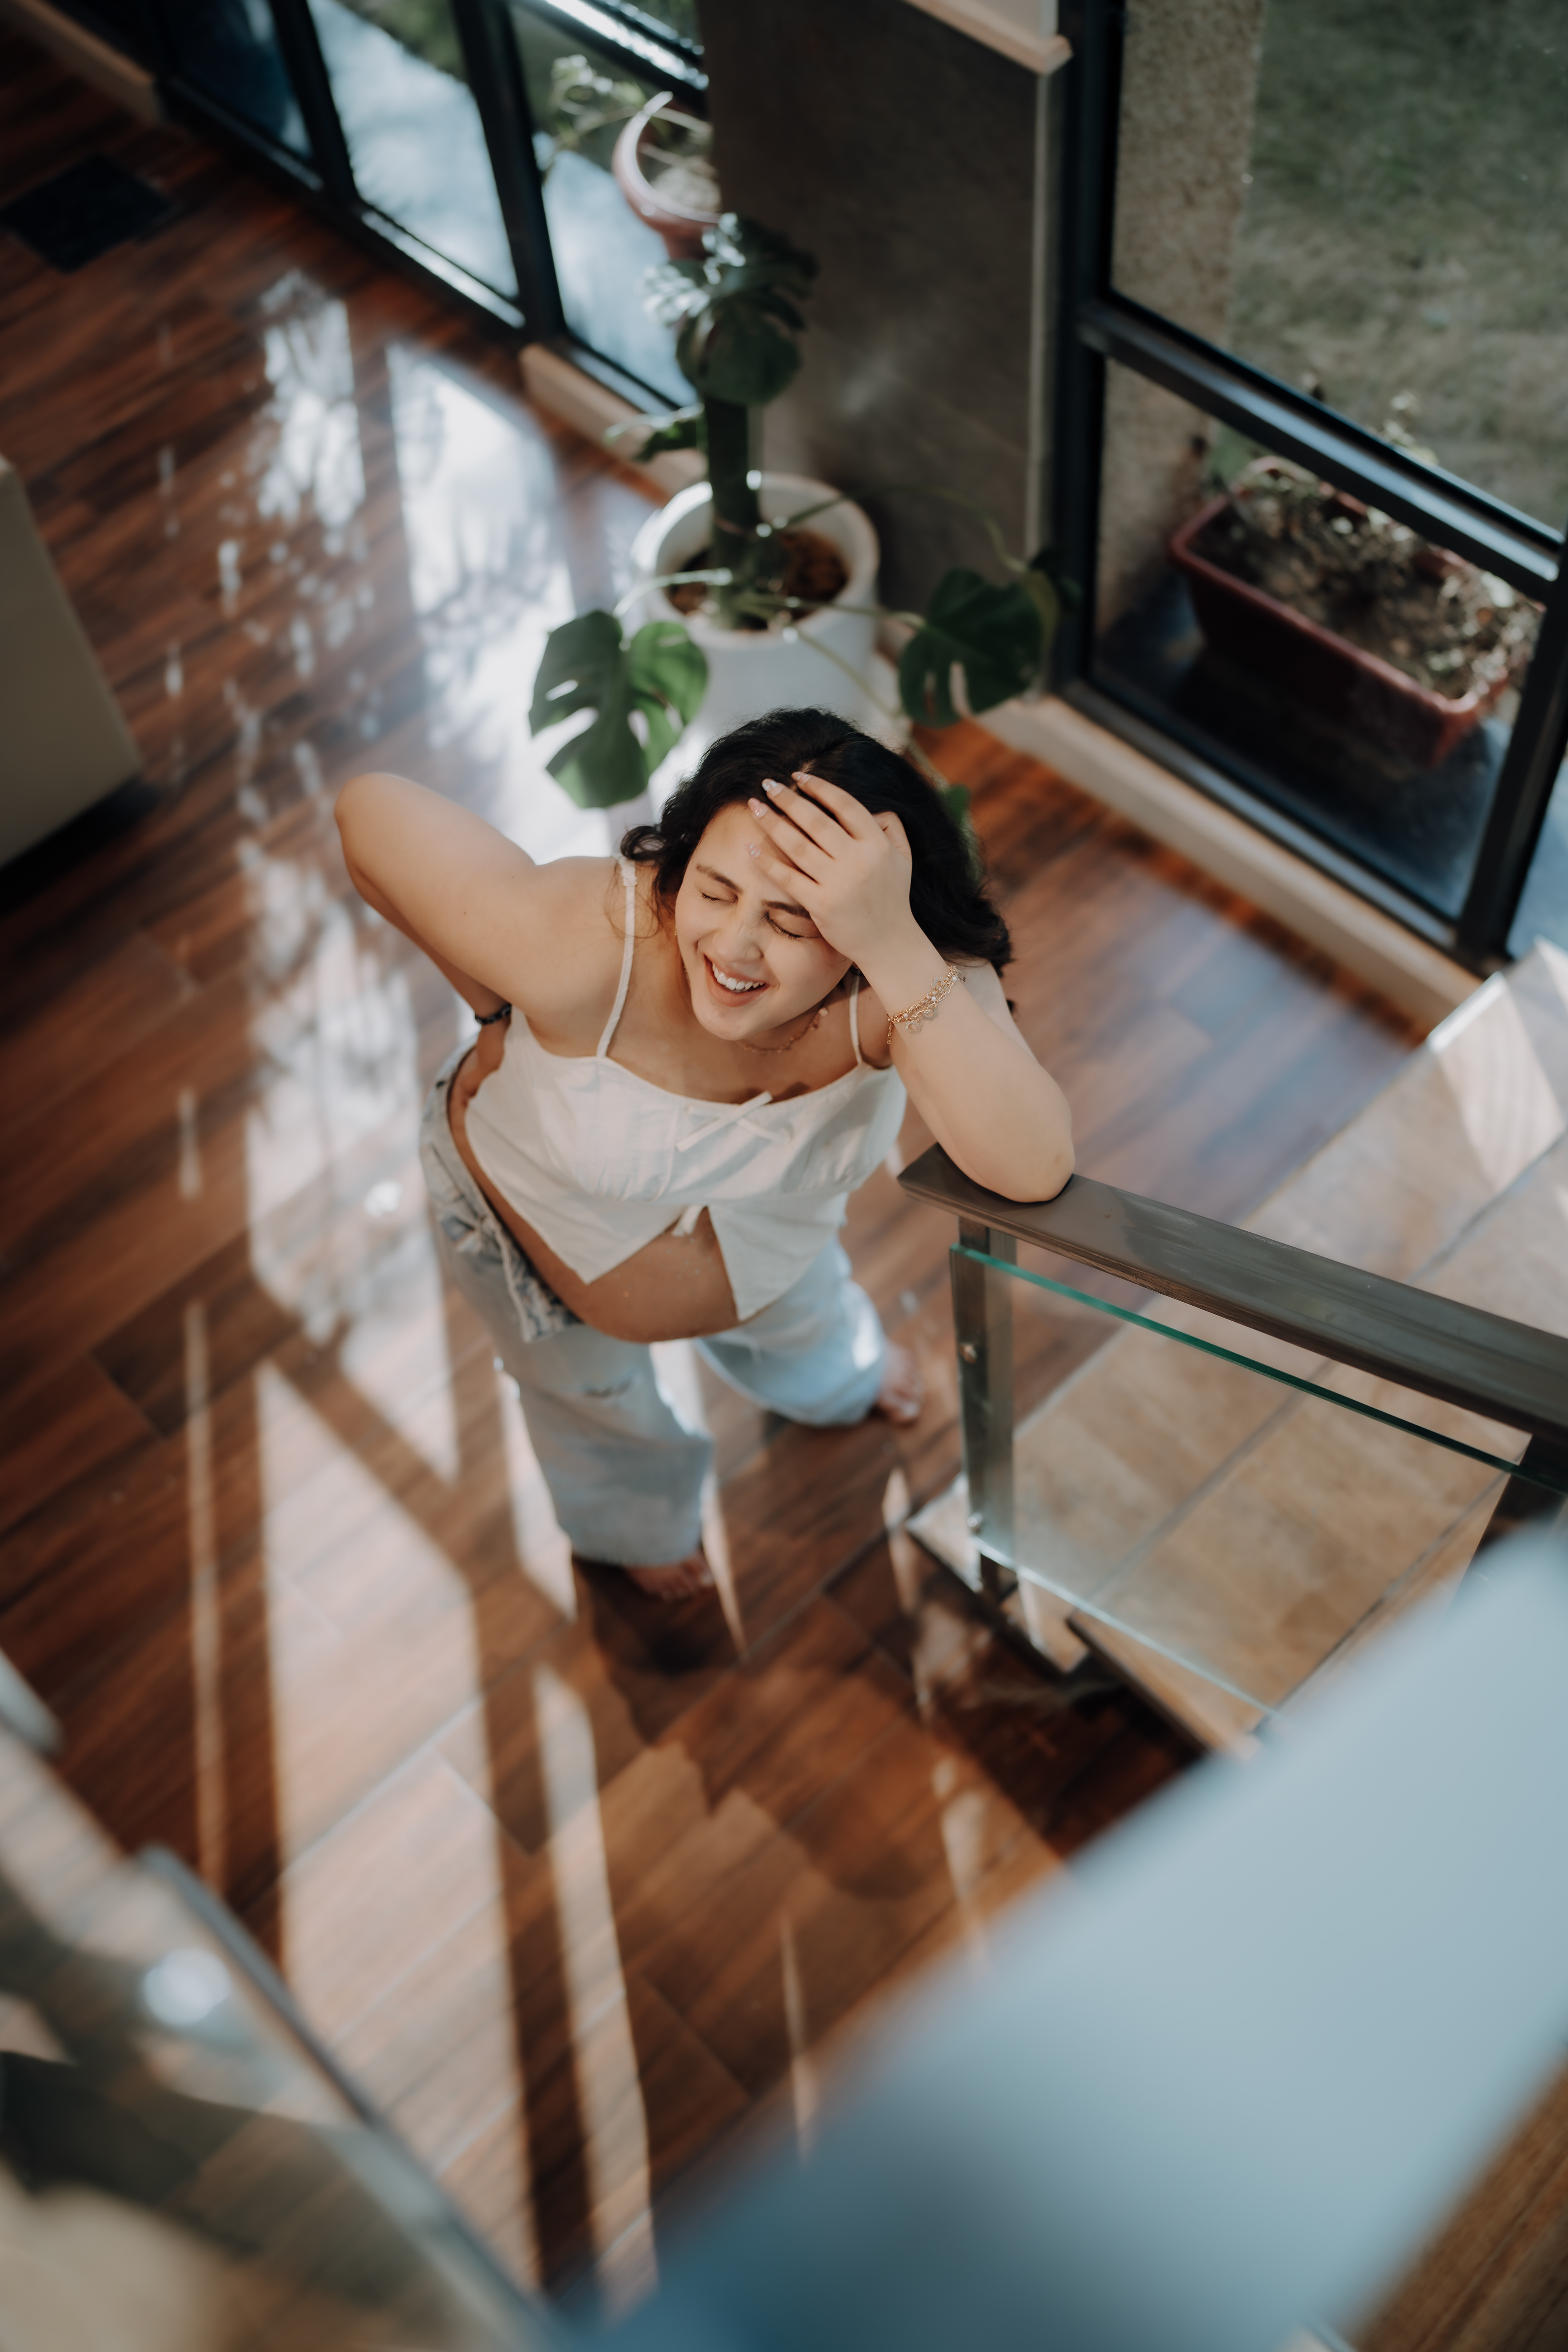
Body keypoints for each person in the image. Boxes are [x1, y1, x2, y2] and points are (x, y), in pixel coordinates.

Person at [335, 708, 1073, 1600]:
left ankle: (837, 1379)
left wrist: (889, 941)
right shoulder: (583, 939)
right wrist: (492, 1007)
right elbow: (366, 813)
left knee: (804, 1309)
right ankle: (633, 1524)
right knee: (591, 1397)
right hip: (521, 1204)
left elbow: (1032, 1168)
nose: (733, 948)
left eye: (797, 922)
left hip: (772, 1233)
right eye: (715, 891)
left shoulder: (901, 979)